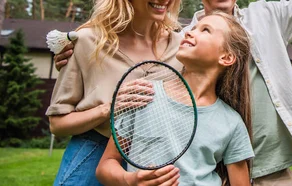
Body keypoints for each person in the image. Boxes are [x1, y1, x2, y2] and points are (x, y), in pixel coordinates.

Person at [52, 0, 292, 184]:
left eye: (205, 31)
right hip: (202, 163)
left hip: (267, 162)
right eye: (197, 30)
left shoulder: (260, 18)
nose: (194, 34)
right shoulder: (180, 40)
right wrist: (74, 55)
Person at [96, 11, 254, 186]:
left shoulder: (231, 122)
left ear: (226, 57)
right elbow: (105, 166)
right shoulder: (143, 95)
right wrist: (130, 179)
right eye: (193, 28)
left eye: (205, 30)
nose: (189, 32)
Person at [45, 0, 183, 185]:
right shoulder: (87, 41)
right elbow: (57, 124)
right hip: (92, 157)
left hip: (156, 162)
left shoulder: (183, 47)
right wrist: (109, 108)